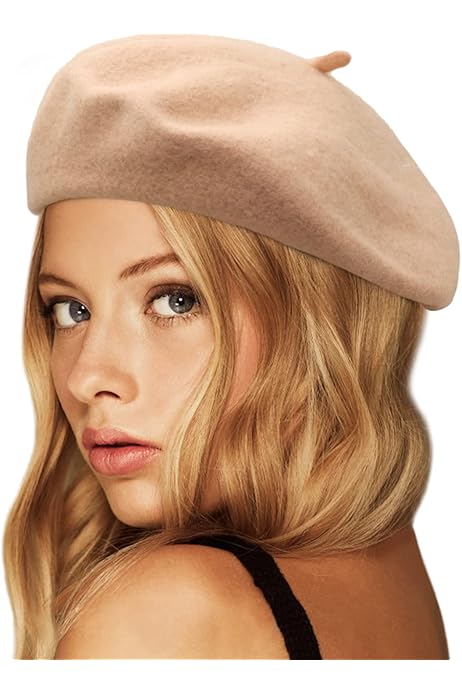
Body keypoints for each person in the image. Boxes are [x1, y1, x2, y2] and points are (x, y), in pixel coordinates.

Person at [3, 34, 458, 660]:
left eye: (174, 301)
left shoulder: (164, 613)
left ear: (314, 321)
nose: (87, 377)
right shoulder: (389, 564)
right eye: (70, 310)